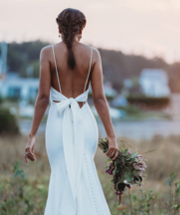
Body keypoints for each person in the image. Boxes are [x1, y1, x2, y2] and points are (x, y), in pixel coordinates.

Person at [24, 8, 119, 215]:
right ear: (82, 28)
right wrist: (112, 137)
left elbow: (42, 99)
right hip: (85, 123)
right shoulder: (93, 54)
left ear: (59, 27)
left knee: (61, 175)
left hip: (57, 124)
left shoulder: (47, 53)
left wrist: (32, 136)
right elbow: (100, 99)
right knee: (85, 173)